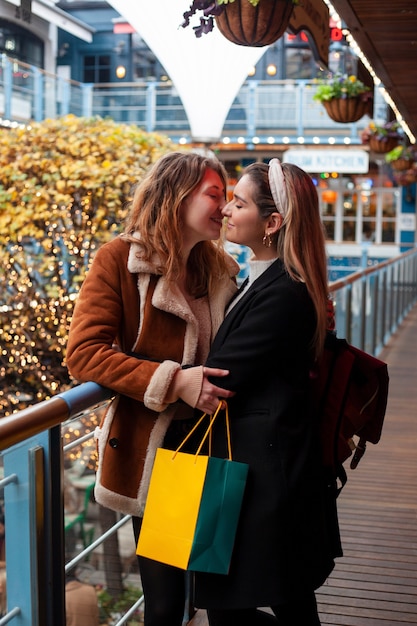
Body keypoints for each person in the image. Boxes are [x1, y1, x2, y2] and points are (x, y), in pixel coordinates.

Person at [66, 151, 239, 626]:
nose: (224, 208)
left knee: (220, 599)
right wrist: (172, 380)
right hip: (160, 455)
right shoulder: (120, 258)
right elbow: (83, 354)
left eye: (227, 197)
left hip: (220, 445)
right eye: (214, 194)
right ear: (177, 194)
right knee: (164, 604)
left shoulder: (219, 268)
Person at [176, 160, 342, 625]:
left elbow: (222, 377)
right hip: (267, 465)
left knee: (237, 602)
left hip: (266, 475)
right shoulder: (268, 278)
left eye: (239, 202)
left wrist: (153, 376)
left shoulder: (284, 291)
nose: (227, 210)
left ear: (272, 223)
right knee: (283, 596)